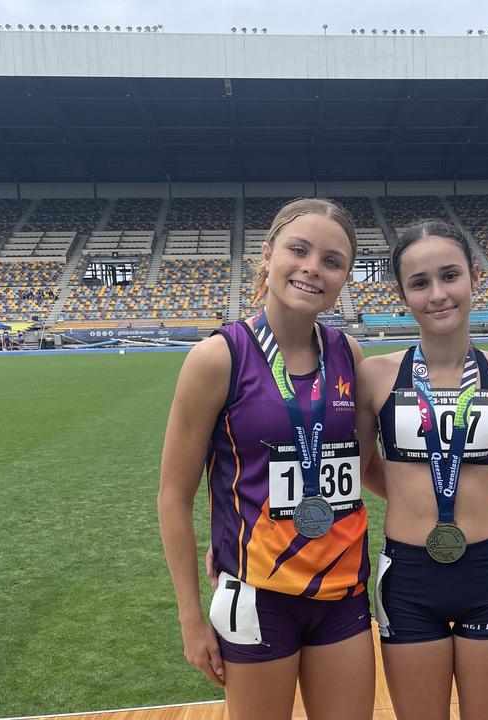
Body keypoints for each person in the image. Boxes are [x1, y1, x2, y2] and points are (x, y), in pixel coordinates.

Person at [159, 198, 376, 720]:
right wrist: (191, 615)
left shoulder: (350, 354)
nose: (312, 269)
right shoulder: (218, 357)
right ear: (267, 254)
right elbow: (173, 494)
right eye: (298, 250)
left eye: (332, 260)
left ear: (346, 275)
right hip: (257, 596)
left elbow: (363, 466)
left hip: (342, 591)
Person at [355, 220, 488, 720]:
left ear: (473, 278)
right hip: (408, 574)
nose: (438, 293)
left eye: (450, 276)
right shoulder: (376, 375)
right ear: (402, 294)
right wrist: (412, 497)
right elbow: (362, 466)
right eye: (420, 282)